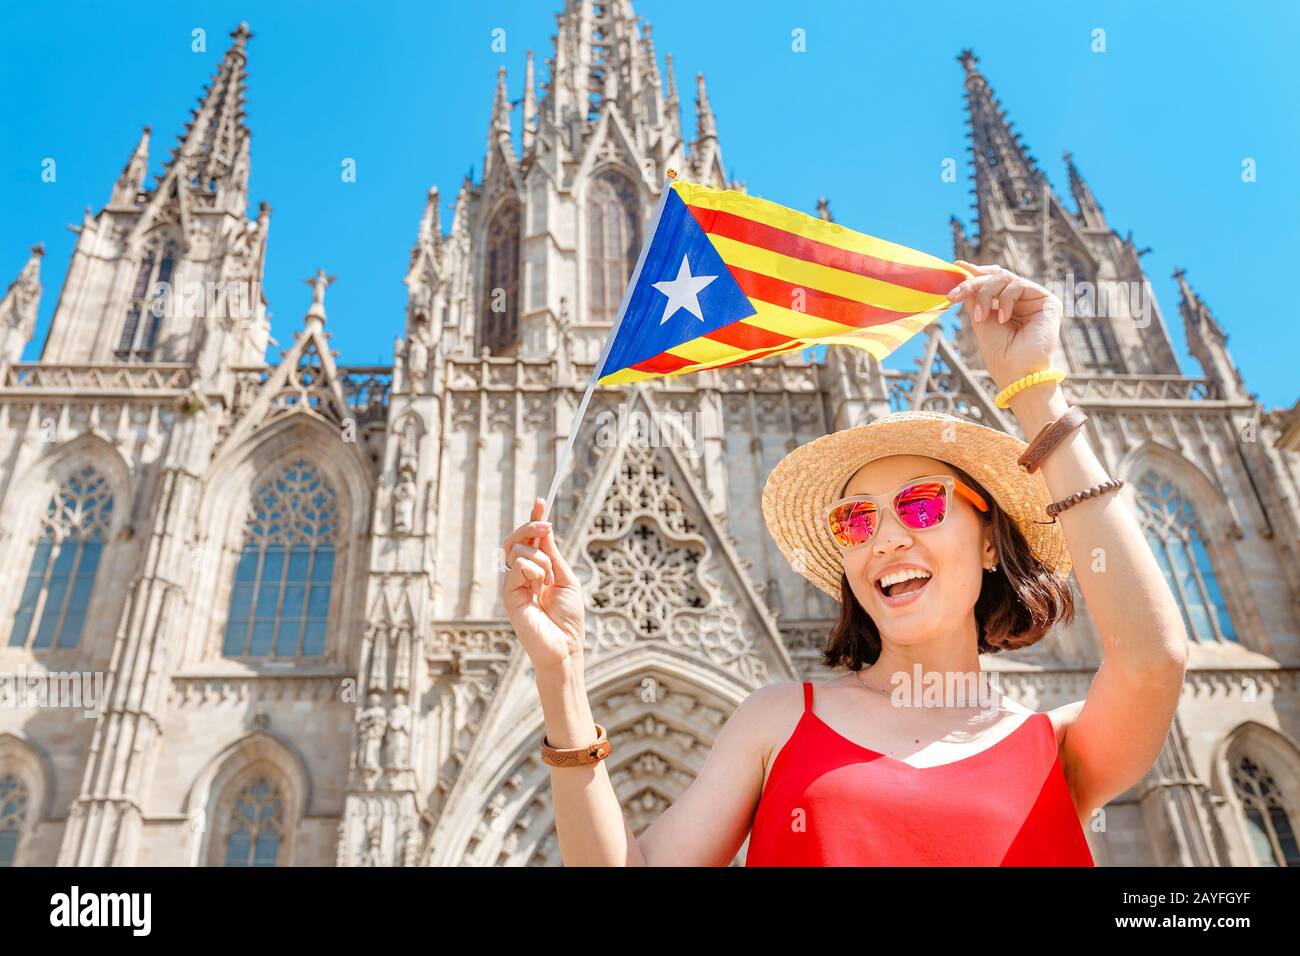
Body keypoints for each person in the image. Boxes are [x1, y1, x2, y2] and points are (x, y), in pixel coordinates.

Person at [500, 262, 1188, 866]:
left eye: (921, 504)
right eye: (856, 519)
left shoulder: (1054, 748)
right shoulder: (778, 720)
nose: (885, 536)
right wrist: (561, 679)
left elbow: (1153, 659)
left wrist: (1038, 389)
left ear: (989, 541)